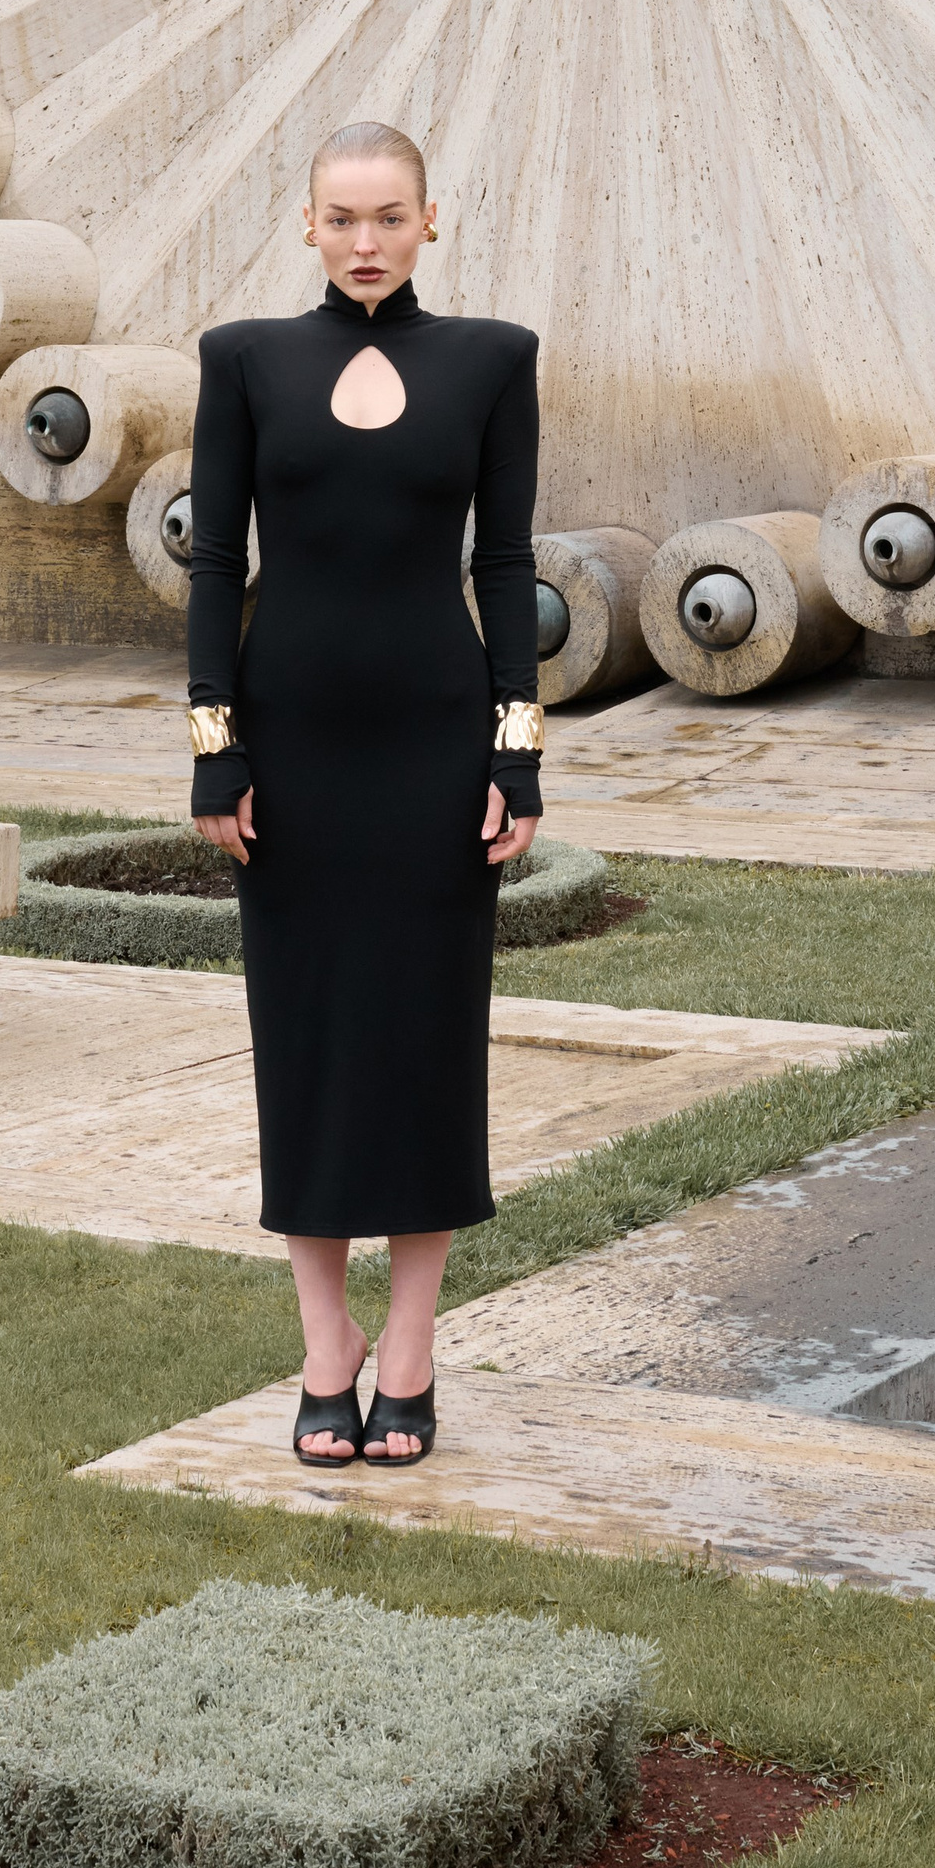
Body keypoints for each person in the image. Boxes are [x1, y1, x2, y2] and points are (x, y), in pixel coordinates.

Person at [187, 121, 543, 1466]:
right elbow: (216, 560)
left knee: (426, 1038)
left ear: (430, 219)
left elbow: (503, 566)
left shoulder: (492, 361)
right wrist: (217, 744)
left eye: (389, 214)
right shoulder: (245, 361)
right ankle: (321, 1343)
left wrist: (519, 751)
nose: (366, 238)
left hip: (436, 747)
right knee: (311, 1040)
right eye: (343, 216)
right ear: (307, 223)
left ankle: (411, 1346)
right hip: (291, 750)